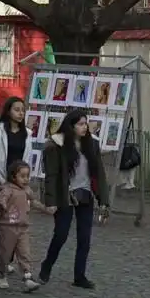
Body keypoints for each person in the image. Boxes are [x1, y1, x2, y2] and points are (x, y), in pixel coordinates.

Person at [39, 108, 109, 288]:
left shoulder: (91, 144)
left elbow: (98, 172)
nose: (85, 127)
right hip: (65, 195)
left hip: (85, 194)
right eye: (80, 124)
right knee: (61, 234)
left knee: (84, 237)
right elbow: (52, 176)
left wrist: (104, 199)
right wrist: (51, 201)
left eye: (86, 123)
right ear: (71, 126)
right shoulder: (56, 145)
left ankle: (80, 276)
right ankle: (47, 265)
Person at [0, 160, 55, 292]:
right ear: (13, 176)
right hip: (8, 227)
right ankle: (2, 274)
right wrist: (2, 205)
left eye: (27, 176)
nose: (25, 179)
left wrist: (46, 209)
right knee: (5, 253)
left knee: (24, 253)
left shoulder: (27, 191)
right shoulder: (8, 189)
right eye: (22, 176)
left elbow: (33, 202)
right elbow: (2, 200)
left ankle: (27, 277)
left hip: (23, 227)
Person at [0, 96, 28, 272]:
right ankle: (3, 260)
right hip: (3, 182)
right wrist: (0, 180)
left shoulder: (28, 134)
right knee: (11, 222)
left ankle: (1, 259)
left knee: (16, 222)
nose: (20, 113)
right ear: (9, 111)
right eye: (17, 109)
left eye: (22, 110)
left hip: (20, 183)